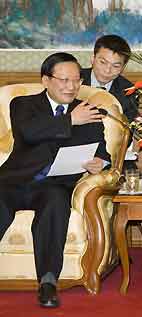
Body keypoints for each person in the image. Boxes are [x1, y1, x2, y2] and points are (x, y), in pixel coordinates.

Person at [0, 52, 110, 308]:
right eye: (63, 80)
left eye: (76, 80)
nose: (71, 87)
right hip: (13, 181)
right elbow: (29, 132)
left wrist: (100, 162)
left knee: (55, 204)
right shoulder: (23, 105)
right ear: (46, 80)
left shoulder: (88, 112)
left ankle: (48, 283)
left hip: (53, 185)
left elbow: (102, 151)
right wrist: (71, 120)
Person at [81, 34, 139, 170]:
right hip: (70, 153)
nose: (107, 70)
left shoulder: (129, 92)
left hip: (106, 157)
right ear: (93, 59)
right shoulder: (73, 80)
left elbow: (126, 133)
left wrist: (103, 159)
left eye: (115, 66)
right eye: (103, 62)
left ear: (123, 67)